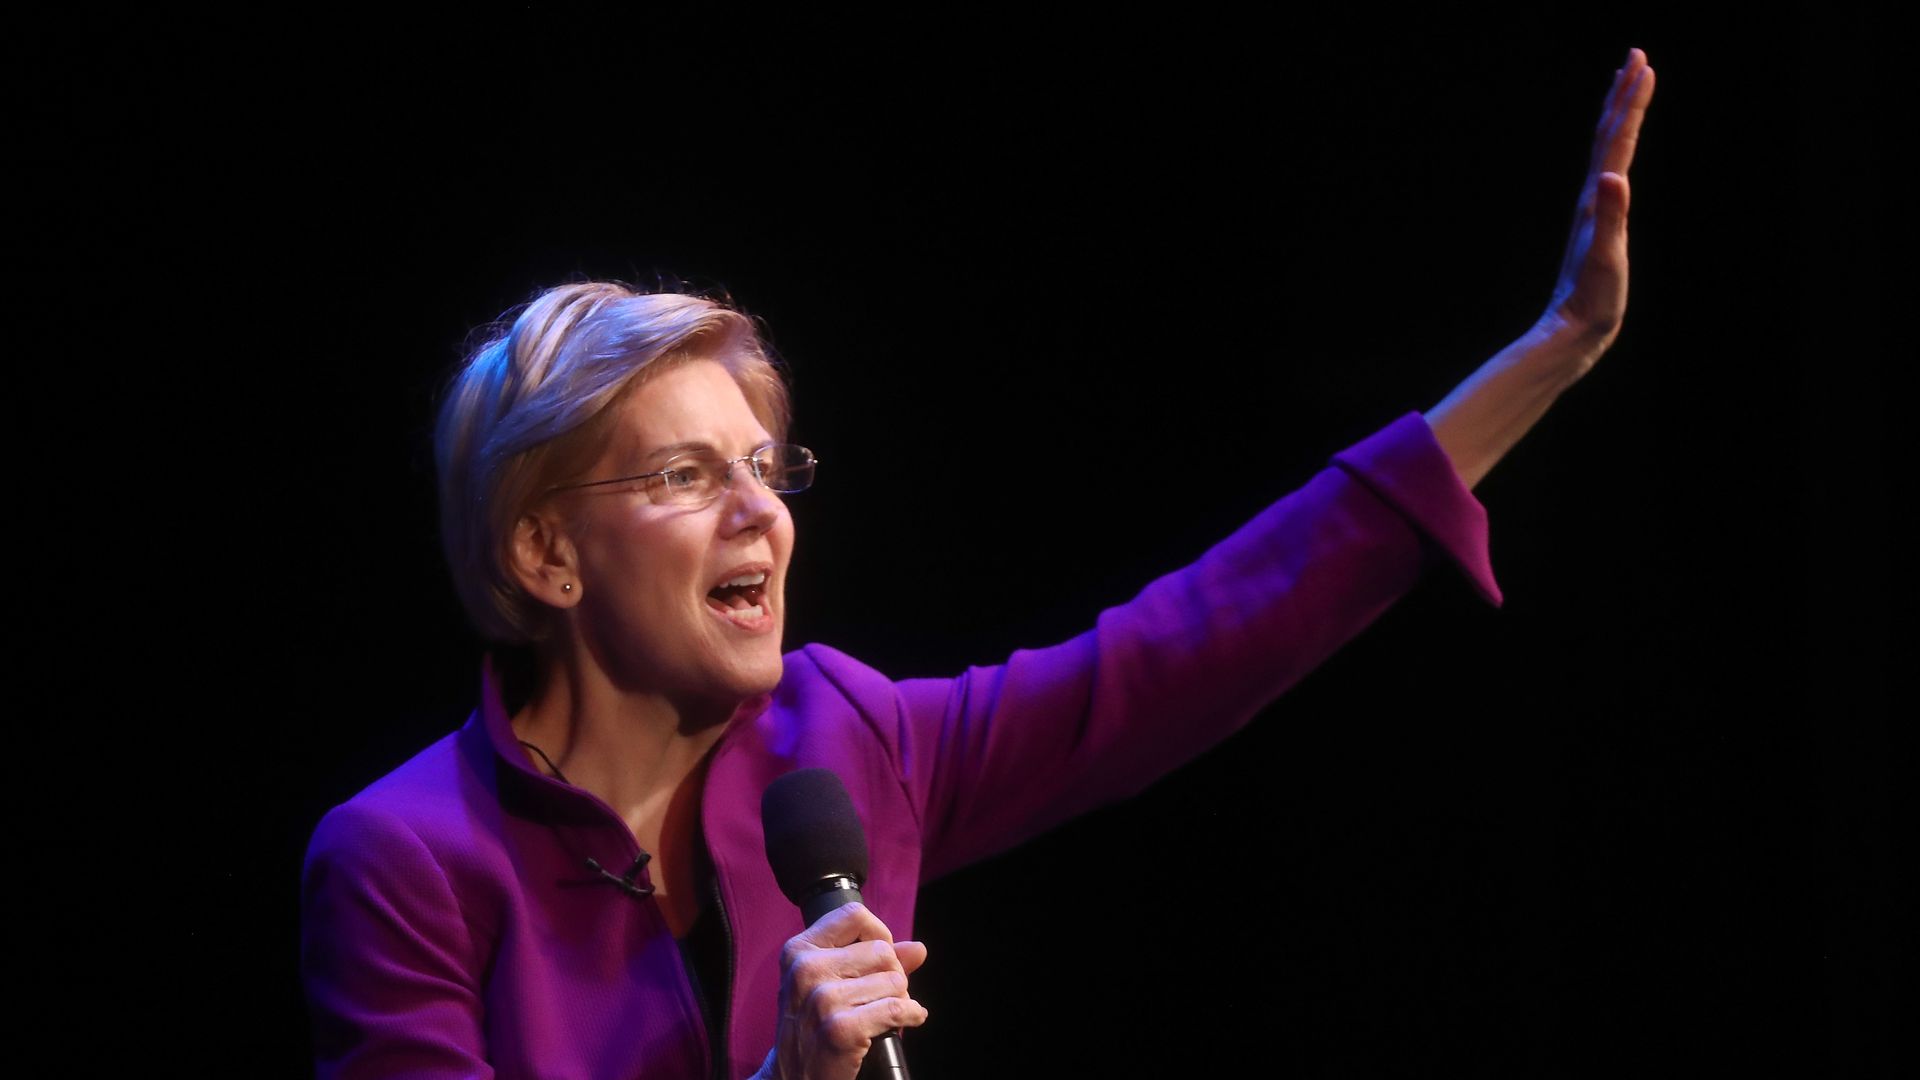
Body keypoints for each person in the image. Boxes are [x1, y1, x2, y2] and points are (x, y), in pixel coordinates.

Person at [301, 50, 1655, 1080]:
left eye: (768, 471)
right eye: (684, 476)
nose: (760, 515)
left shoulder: (847, 740)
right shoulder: (405, 861)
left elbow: (1190, 647)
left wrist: (1550, 359)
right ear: (543, 550)